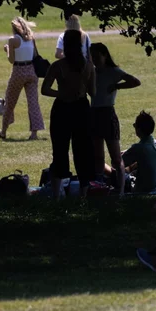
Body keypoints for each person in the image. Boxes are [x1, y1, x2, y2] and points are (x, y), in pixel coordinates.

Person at [41, 29, 96, 200]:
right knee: (83, 150)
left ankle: (57, 195)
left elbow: (45, 89)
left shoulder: (58, 66)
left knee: (59, 150)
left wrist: (61, 93)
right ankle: (84, 194)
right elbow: (93, 92)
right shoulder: (88, 66)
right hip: (82, 108)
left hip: (62, 109)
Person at [89, 43, 142, 194]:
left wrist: (117, 86)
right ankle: (99, 187)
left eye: (97, 56)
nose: (94, 59)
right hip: (93, 114)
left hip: (107, 113)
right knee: (98, 156)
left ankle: (120, 190)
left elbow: (135, 81)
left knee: (116, 158)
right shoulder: (91, 72)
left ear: (105, 55)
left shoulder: (113, 71)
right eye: (92, 56)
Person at [0, 17, 45, 140]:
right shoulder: (31, 38)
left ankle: (4, 131)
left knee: (10, 101)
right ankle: (34, 133)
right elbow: (36, 55)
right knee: (33, 103)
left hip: (19, 71)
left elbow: (11, 60)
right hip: (31, 71)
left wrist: (7, 50)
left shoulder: (13, 40)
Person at [121, 111, 156, 193]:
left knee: (111, 172)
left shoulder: (138, 148)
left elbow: (117, 163)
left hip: (140, 189)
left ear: (138, 129)